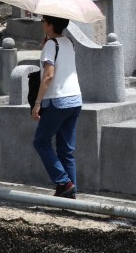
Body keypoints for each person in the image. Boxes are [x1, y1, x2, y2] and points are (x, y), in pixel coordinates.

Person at [32, 15, 81, 199]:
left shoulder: (51, 45)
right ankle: (70, 192)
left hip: (57, 101)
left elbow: (48, 76)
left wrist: (37, 103)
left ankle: (63, 181)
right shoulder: (68, 42)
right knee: (66, 150)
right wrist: (45, 45)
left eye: (44, 21)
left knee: (41, 142)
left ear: (50, 24)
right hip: (75, 100)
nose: (42, 24)